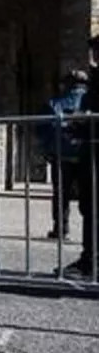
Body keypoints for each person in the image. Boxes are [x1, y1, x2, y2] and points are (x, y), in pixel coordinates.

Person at [64, 36, 99, 279]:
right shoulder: (95, 81)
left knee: (93, 208)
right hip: (91, 151)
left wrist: (82, 120)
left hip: (96, 152)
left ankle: (91, 262)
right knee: (89, 207)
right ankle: (89, 259)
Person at [41, 69, 88, 239]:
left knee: (61, 194)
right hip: (86, 157)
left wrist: (48, 151)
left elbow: (43, 130)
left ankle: (60, 228)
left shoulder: (55, 104)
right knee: (89, 196)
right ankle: (90, 234)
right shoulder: (90, 103)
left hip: (61, 156)